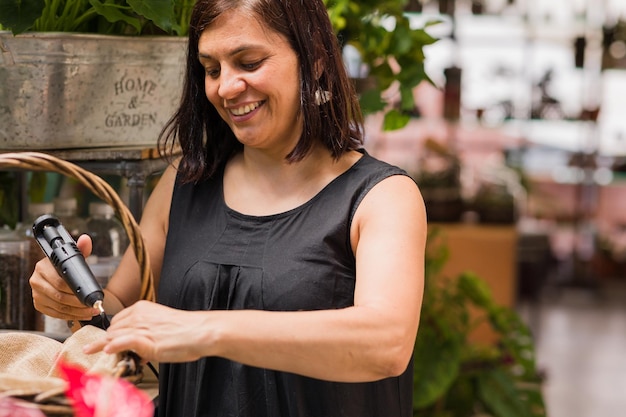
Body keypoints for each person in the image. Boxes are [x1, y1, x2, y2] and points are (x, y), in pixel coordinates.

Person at [30, 0, 427, 416]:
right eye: (212, 68)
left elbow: (386, 343)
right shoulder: (183, 185)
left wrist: (205, 329)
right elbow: (117, 311)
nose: (226, 87)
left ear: (316, 62)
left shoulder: (382, 196)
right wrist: (72, 300)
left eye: (249, 62)